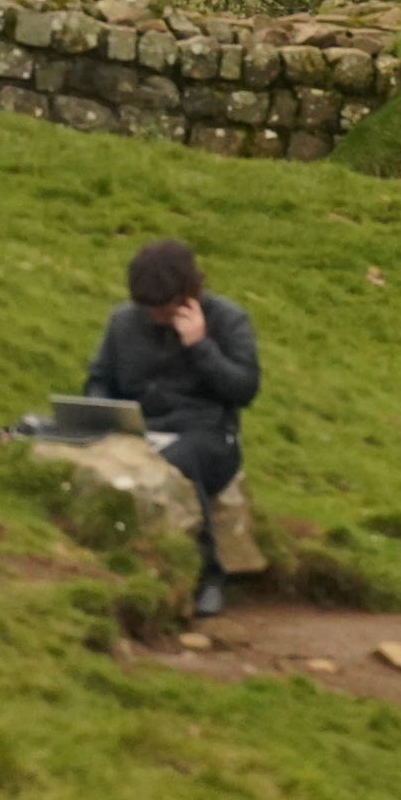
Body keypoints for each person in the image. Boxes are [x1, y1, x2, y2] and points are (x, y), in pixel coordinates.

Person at [83, 238, 262, 619]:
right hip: (140, 431)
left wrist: (200, 346)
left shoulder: (228, 320)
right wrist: (105, 411)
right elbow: (99, 378)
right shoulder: (123, 321)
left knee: (177, 464)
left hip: (209, 438)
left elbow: (244, 389)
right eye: (148, 308)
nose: (156, 316)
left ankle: (208, 575)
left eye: (164, 307)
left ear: (189, 292)